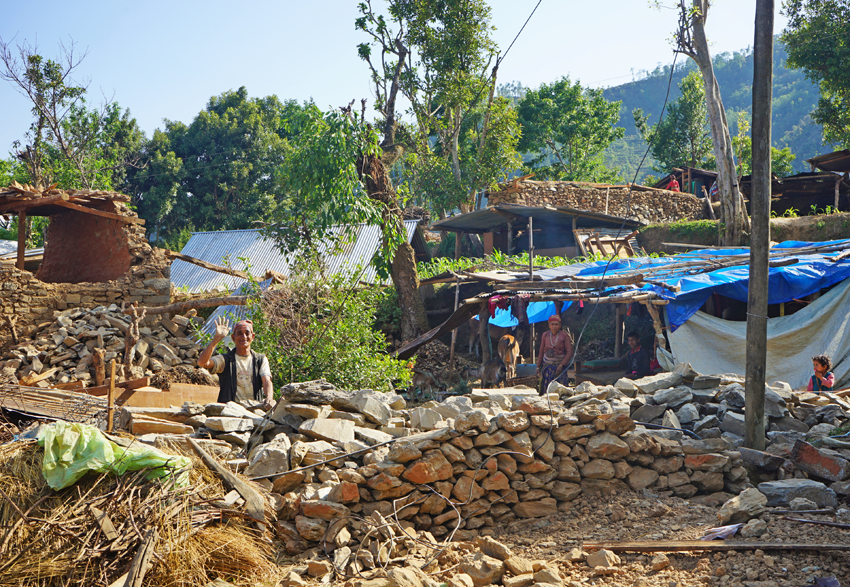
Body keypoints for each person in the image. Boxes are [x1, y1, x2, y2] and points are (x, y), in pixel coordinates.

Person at [197, 317, 275, 409]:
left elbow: (266, 381)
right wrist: (217, 338)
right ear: (233, 338)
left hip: (254, 411)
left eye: (247, 333)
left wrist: (269, 398)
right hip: (230, 411)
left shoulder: (260, 360)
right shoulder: (225, 360)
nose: (244, 337)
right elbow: (202, 362)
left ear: (252, 337)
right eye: (240, 333)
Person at [536, 314, 573, 394]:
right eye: (552, 324)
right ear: (549, 325)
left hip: (559, 367)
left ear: (560, 325)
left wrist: (561, 365)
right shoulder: (545, 335)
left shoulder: (564, 336)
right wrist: (538, 367)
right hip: (547, 367)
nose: (554, 326)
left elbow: (569, 352)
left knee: (561, 391)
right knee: (547, 392)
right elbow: (541, 351)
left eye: (556, 324)